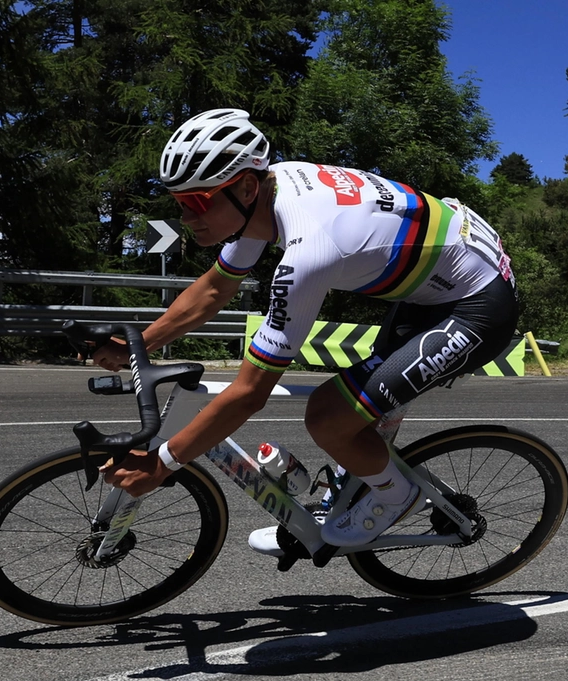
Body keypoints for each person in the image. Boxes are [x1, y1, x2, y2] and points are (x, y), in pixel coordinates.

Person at [91, 108, 518, 550]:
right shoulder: (264, 196)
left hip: (477, 305)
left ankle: (397, 497)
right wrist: (135, 344)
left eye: (197, 202)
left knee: (328, 415)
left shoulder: (308, 251)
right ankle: (351, 488)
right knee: (357, 409)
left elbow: (250, 393)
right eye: (178, 203)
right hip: (438, 283)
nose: (185, 216)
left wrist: (161, 465)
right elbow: (214, 291)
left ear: (245, 186)